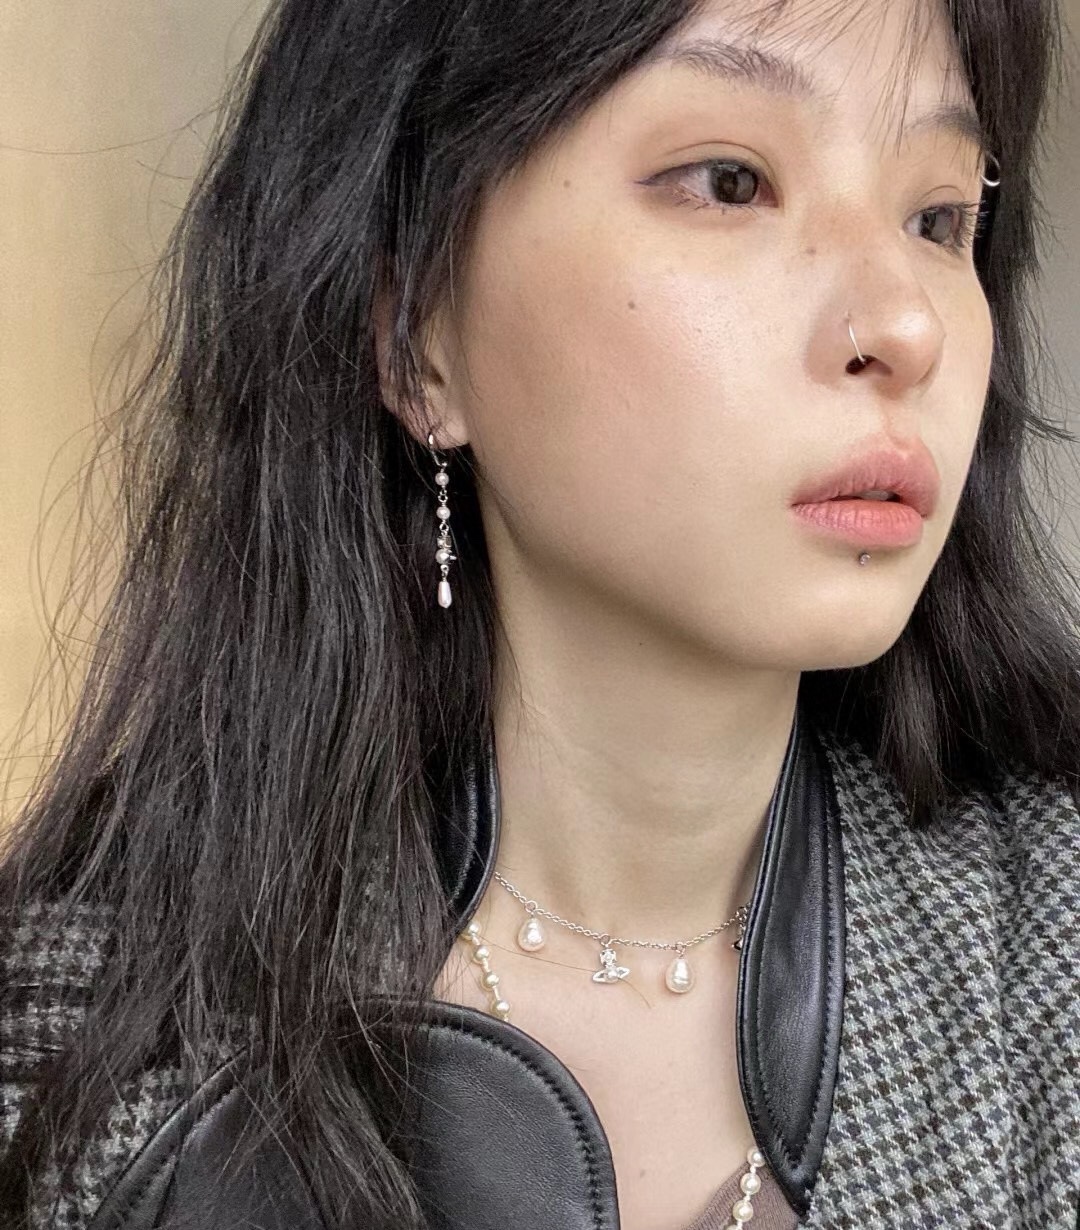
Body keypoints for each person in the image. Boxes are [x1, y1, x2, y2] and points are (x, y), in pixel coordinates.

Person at [1, 0, 1078, 1226]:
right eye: (730, 181)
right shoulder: (84, 1059)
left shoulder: (1043, 959)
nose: (906, 325)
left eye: (940, 219)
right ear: (417, 338)